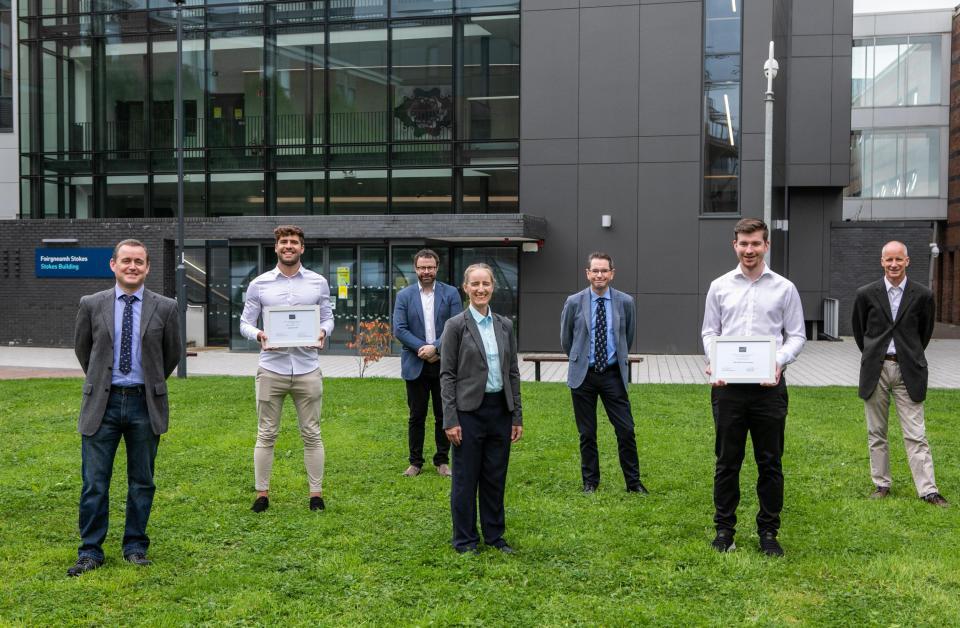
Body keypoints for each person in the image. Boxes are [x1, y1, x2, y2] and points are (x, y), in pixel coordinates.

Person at [68, 239, 181, 577]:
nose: (133, 267)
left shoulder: (166, 307)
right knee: (94, 482)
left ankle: (135, 546)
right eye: (126, 261)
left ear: (147, 268)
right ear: (113, 265)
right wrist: (103, 379)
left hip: (145, 404)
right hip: (102, 403)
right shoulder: (91, 304)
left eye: (139, 262)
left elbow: (170, 354)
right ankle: (90, 551)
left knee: (142, 481)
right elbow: (83, 350)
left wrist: (149, 382)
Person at [702, 218, 805, 557]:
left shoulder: (785, 288)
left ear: (766, 245)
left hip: (769, 388)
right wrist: (715, 360)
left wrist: (778, 362)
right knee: (727, 462)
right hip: (728, 388)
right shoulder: (718, 286)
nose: (749, 250)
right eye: (744, 244)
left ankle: (768, 532)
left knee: (770, 462)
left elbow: (797, 335)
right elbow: (709, 332)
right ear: (735, 245)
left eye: (756, 244)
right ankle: (724, 531)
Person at [240, 225, 334, 513]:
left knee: (312, 433)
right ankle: (262, 494)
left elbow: (328, 318)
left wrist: (323, 332)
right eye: (283, 242)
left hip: (307, 368)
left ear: (302, 248)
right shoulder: (259, 284)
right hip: (271, 368)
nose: (288, 246)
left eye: (294, 242)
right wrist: (259, 336)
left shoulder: (318, 283)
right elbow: (245, 323)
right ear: (276, 247)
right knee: (266, 434)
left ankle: (315, 494)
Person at [851, 241, 947, 507]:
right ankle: (881, 484)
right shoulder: (866, 294)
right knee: (876, 431)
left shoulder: (923, 295)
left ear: (907, 261)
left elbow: (924, 333)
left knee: (916, 432)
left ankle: (928, 489)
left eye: (898, 260)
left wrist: (908, 354)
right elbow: (861, 333)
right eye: (888, 260)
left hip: (909, 370)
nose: (893, 264)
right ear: (882, 262)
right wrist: (876, 354)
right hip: (876, 369)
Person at [440, 263, 522, 554]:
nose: (480, 289)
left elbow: (512, 372)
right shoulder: (455, 326)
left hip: (499, 410)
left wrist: (516, 415)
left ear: (492, 287)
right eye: (474, 284)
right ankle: (464, 540)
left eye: (485, 283)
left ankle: (495, 536)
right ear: (465, 288)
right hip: (467, 414)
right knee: (465, 480)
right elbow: (447, 375)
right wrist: (450, 420)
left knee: (494, 477)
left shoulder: (505, 324)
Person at [560, 252, 646, 494]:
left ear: (612, 273)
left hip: (612, 375)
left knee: (626, 429)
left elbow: (627, 336)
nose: (599, 275)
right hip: (583, 375)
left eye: (604, 270)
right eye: (595, 270)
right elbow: (566, 338)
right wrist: (579, 358)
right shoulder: (574, 301)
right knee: (587, 433)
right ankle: (590, 482)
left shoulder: (625, 302)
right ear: (587, 273)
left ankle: (634, 483)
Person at [392, 249, 463, 477]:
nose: (426, 271)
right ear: (416, 269)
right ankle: (415, 463)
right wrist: (422, 348)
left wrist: (436, 348)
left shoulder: (451, 293)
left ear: (437, 268)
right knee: (417, 415)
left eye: (430, 267)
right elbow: (400, 329)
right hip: (416, 362)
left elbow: (455, 324)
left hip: (444, 363)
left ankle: (442, 461)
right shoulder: (404, 296)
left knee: (444, 415)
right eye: (422, 267)